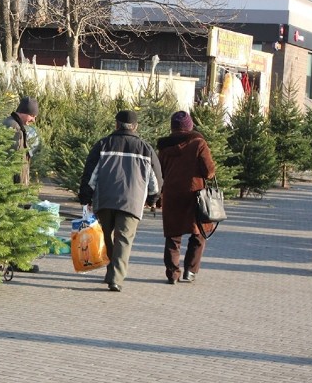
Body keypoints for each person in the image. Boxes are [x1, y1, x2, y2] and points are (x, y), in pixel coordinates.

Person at [78, 109, 162, 292]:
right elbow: (156, 179)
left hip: (105, 199)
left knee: (106, 237)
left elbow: (90, 174)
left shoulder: (103, 144)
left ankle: (111, 272)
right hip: (132, 202)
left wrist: (85, 197)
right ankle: (116, 278)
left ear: (116, 124)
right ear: (135, 126)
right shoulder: (146, 149)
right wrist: (153, 198)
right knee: (123, 240)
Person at [156, 110, 216, 285]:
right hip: (194, 195)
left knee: (173, 236)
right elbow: (209, 172)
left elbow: (159, 173)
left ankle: (172, 273)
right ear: (190, 126)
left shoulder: (164, 148)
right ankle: (190, 271)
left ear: (172, 127)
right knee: (199, 233)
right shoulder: (199, 144)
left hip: (171, 195)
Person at [2, 96, 39, 186]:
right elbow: (13, 159)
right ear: (23, 112)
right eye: (32, 116)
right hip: (11, 184)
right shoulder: (13, 127)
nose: (33, 120)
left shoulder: (17, 125)